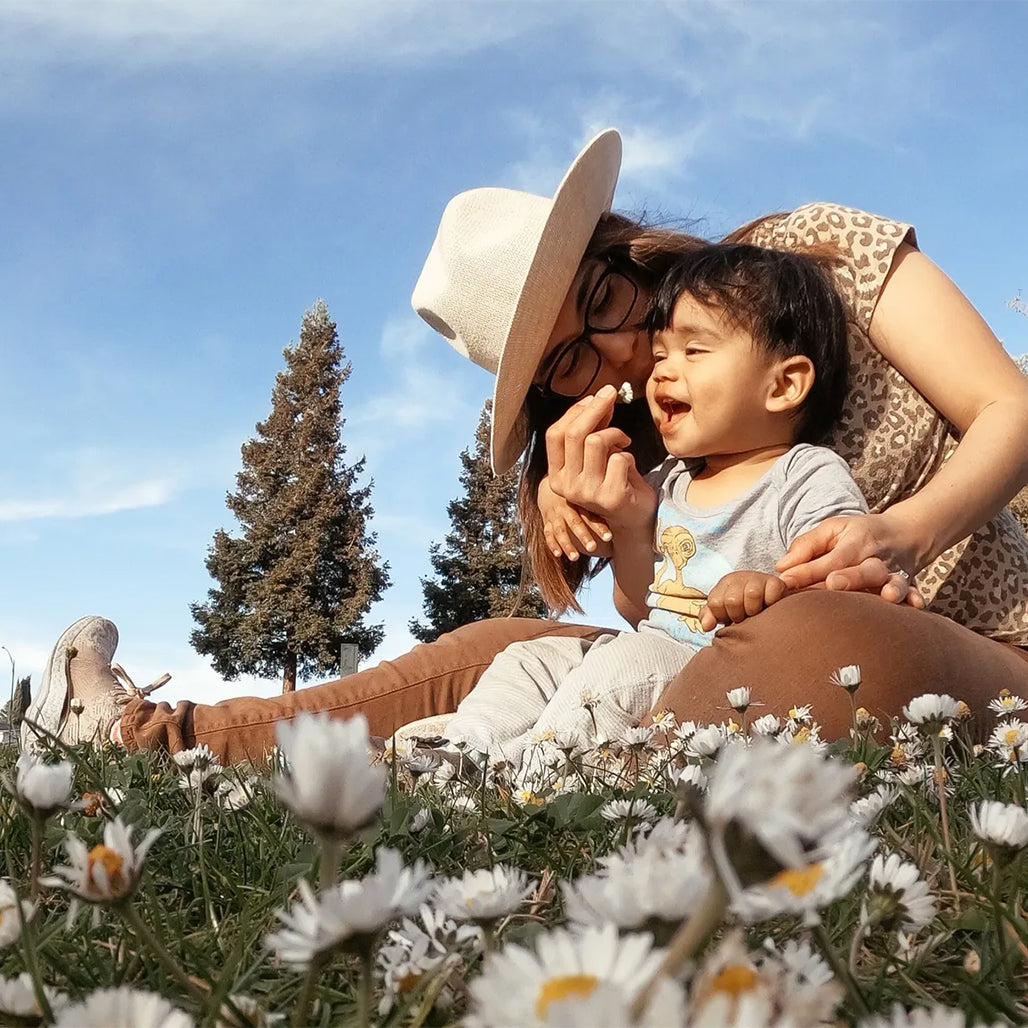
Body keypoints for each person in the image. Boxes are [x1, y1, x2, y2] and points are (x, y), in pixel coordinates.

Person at [24, 129, 1028, 764]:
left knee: (826, 636)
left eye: (599, 299)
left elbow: (1007, 406)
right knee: (500, 645)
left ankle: (571, 782)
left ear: (626, 245)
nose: (619, 352)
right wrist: (619, 521)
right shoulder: (655, 452)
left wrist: (900, 531)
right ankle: (143, 739)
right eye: (568, 364)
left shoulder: (810, 254)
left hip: (979, 644)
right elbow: (658, 617)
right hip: (720, 662)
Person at [439, 243, 869, 763]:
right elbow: (647, 604)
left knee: (611, 679)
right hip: (649, 651)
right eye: (661, 353)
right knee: (530, 658)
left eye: (694, 351)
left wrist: (774, 591)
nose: (658, 372)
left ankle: (531, 782)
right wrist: (628, 521)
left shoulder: (803, 474)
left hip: (723, 671)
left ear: (783, 385)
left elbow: (843, 576)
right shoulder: (667, 480)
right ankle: (454, 755)